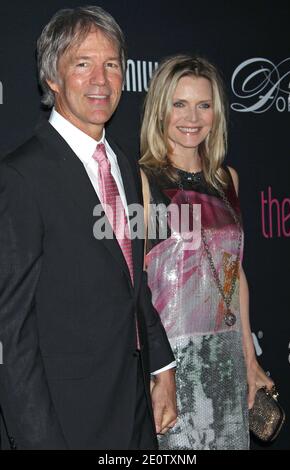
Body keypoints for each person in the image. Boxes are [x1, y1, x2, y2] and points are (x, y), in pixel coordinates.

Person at [0, 6, 177, 450]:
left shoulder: (124, 163)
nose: (102, 79)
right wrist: (38, 440)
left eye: (112, 64)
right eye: (83, 64)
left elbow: (133, 286)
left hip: (136, 411)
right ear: (53, 78)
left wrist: (161, 370)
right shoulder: (21, 177)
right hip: (66, 419)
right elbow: (11, 329)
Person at [139, 55, 274, 450]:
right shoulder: (142, 182)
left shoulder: (227, 179)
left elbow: (236, 275)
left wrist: (249, 359)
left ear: (217, 112)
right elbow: (134, 285)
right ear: (161, 110)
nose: (192, 117)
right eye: (179, 104)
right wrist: (154, 372)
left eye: (204, 104)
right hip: (174, 361)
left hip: (227, 357)